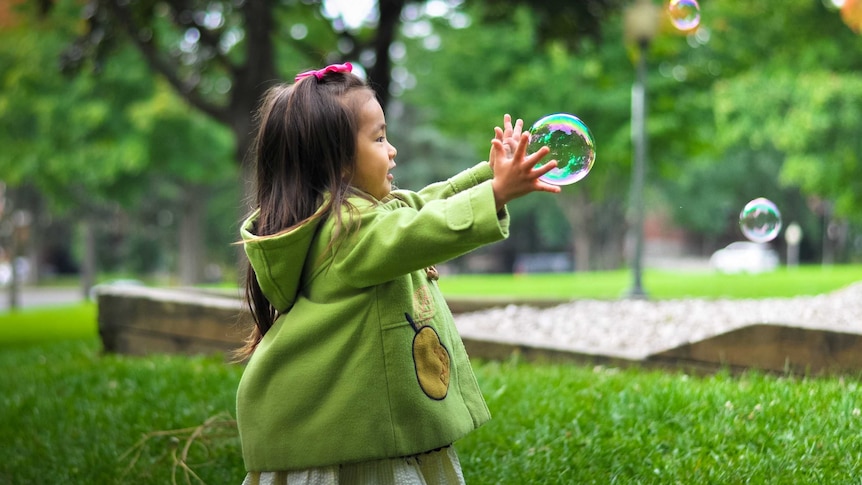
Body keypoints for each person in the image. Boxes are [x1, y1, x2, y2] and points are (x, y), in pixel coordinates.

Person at [235, 61, 560, 485]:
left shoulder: (358, 217)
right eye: (379, 138)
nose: (392, 150)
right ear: (340, 164)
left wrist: (489, 176)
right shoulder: (346, 233)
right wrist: (496, 192)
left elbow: (422, 205)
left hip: (363, 429)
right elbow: (421, 229)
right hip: (355, 444)